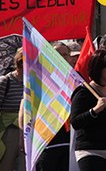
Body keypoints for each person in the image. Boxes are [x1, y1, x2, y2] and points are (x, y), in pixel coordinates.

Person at [33, 42, 74, 171]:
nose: (62, 57)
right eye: (57, 54)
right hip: (48, 141)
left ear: (70, 57)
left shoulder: (77, 78)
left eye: (65, 54)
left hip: (70, 141)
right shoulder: (40, 78)